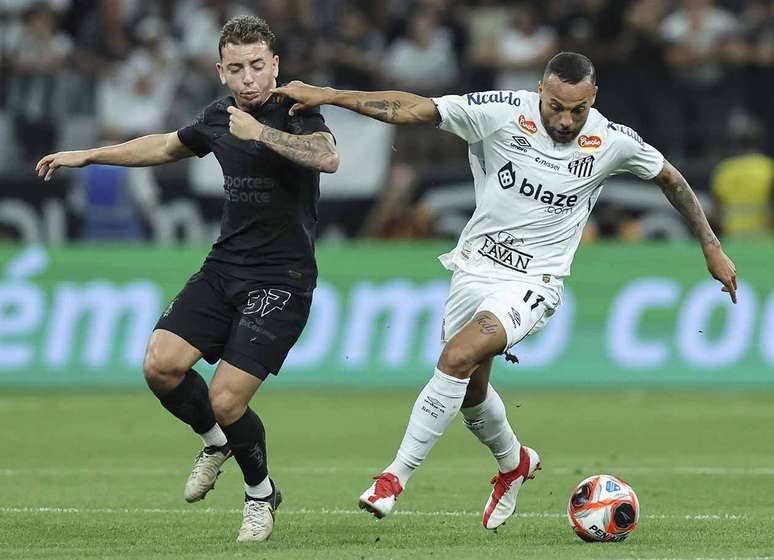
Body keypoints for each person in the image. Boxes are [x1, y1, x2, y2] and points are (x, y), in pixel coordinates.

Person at [272, 51, 737, 530]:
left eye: (578, 110)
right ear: (541, 91)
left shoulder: (611, 140)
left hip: (535, 283)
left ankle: (394, 478)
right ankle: (514, 462)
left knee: (456, 357)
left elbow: (670, 178)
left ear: (593, 98)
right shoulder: (500, 112)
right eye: (556, 107)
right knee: (470, 391)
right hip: (474, 269)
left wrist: (711, 246)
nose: (566, 120)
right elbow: (413, 108)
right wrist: (329, 96)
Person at [36, 16, 339, 542]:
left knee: (227, 398)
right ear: (221, 72)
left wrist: (261, 134)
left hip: (282, 278)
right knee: (161, 366)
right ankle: (216, 441)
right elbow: (164, 145)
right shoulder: (218, 116)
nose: (249, 78)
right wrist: (91, 155)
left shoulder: (297, 111)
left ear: (275, 65)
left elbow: (327, 157)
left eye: (258, 66)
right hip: (225, 266)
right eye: (237, 68)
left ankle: (260, 493)